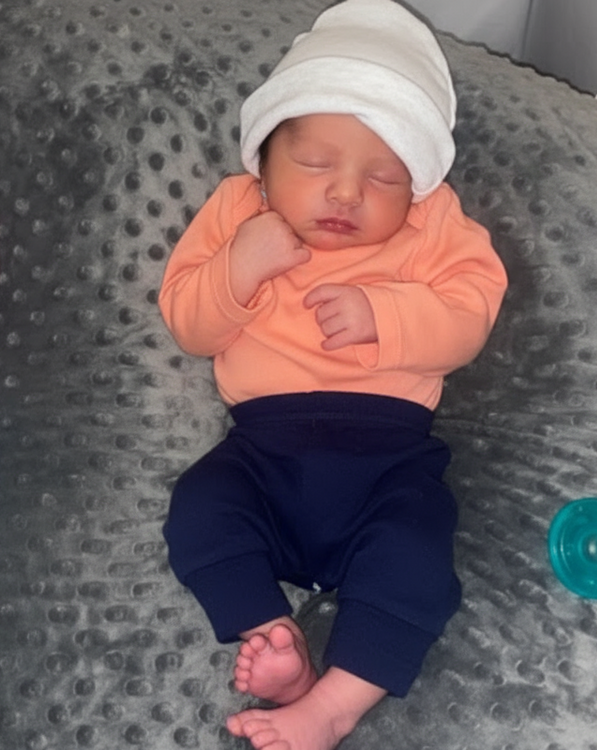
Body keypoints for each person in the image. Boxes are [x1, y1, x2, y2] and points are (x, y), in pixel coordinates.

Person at [157, 0, 508, 747]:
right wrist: (238, 268)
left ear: (416, 186)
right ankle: (275, 640)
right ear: (264, 165)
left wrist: (388, 314)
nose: (347, 192)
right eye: (316, 164)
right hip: (262, 453)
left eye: (383, 176)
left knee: (416, 551)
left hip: (388, 458)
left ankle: (335, 706)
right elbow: (188, 320)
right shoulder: (238, 211)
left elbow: (471, 312)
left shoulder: (434, 224)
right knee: (200, 509)